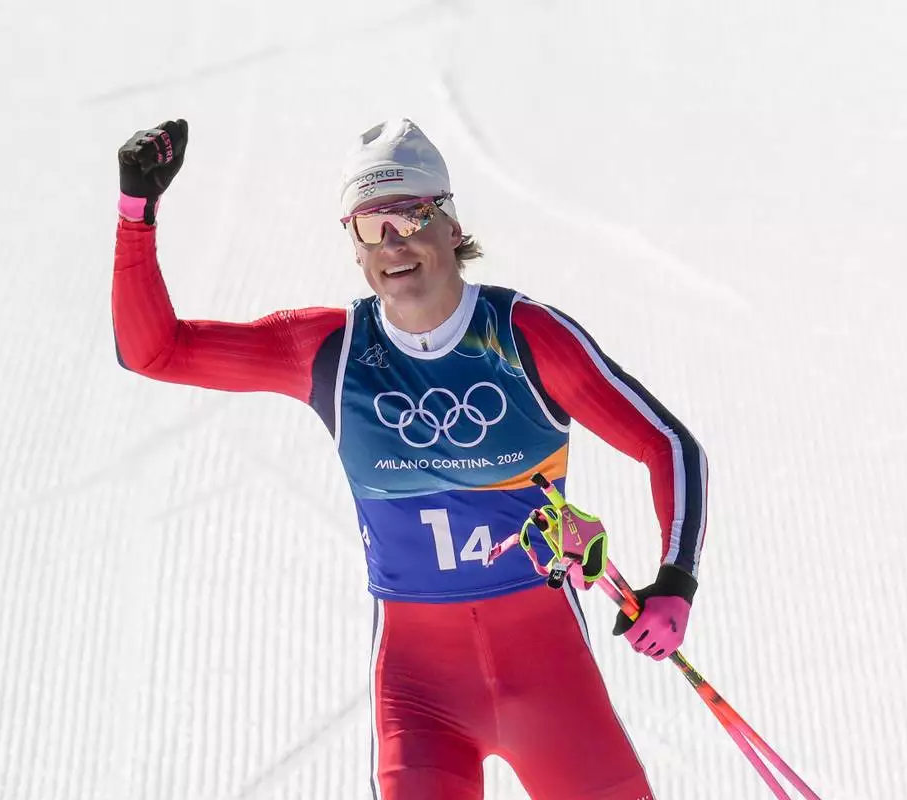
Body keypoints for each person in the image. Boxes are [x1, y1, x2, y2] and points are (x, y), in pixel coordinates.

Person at [111, 117, 708, 800]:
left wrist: (676, 581)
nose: (392, 242)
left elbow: (666, 445)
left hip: (552, 684)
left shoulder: (527, 338)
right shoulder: (330, 352)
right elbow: (152, 351)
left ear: (451, 225)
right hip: (422, 703)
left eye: (409, 216)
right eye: (369, 226)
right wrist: (137, 212)